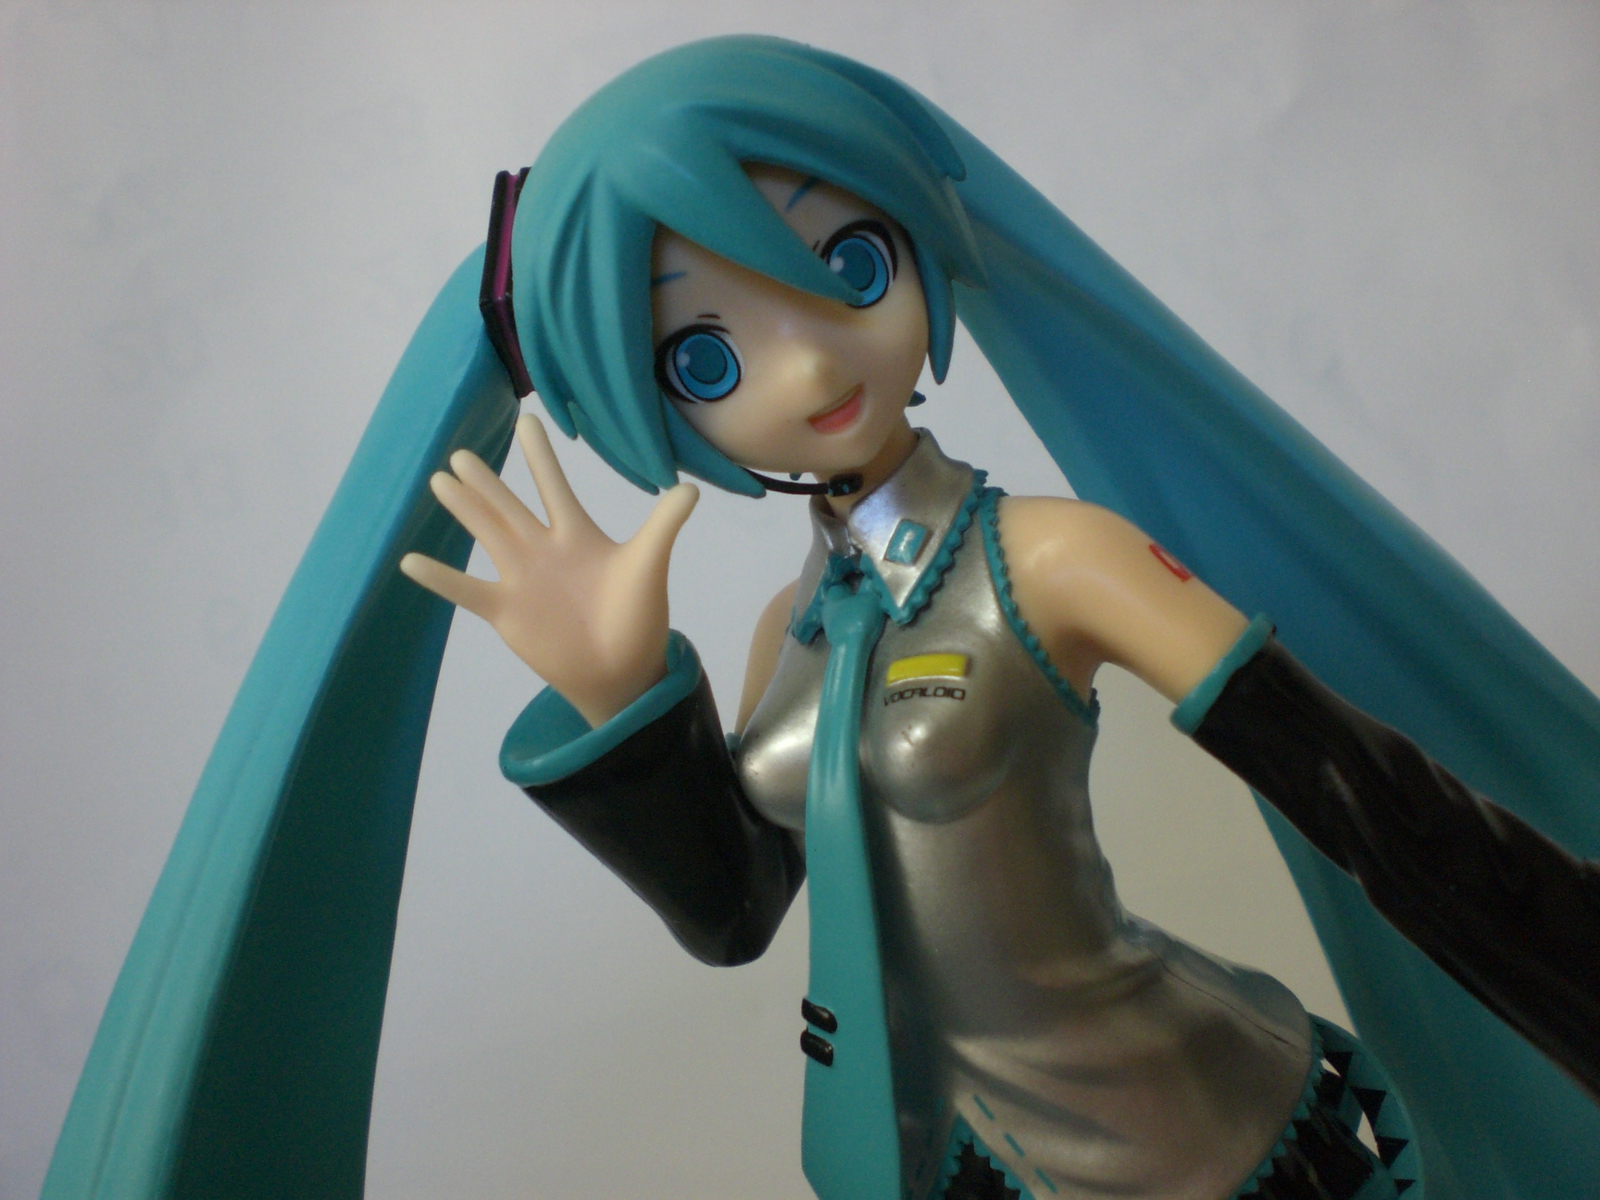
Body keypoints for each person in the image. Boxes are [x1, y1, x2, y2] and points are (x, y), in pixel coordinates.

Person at [42, 35, 1600, 1200]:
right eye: (706, 358)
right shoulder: (793, 632)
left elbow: (1371, 806)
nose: (802, 369)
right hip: (945, 1165)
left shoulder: (1054, 562)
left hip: (1194, 1145)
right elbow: (740, 910)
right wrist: (622, 698)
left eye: (846, 264)